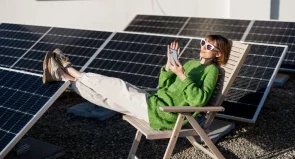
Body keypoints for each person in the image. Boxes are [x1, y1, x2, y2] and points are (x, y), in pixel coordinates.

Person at [43, 35, 231, 130]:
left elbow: (199, 101)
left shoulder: (212, 71)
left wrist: (182, 75)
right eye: (202, 43)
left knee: (117, 86)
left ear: (218, 53)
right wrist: (168, 66)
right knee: (104, 99)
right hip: (155, 101)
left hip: (166, 113)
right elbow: (164, 86)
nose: (203, 48)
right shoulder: (190, 63)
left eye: (209, 46)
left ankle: (69, 69)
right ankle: (63, 77)